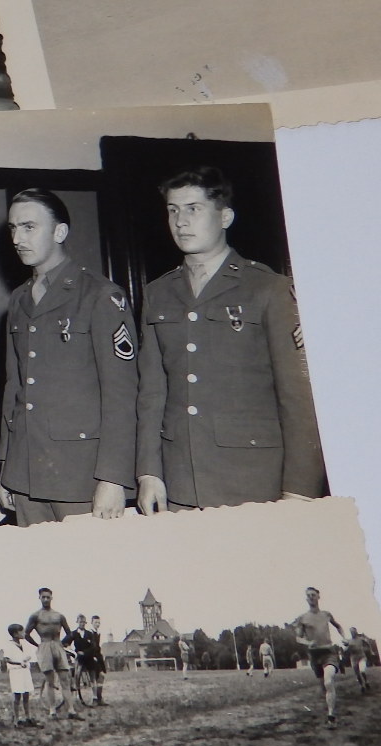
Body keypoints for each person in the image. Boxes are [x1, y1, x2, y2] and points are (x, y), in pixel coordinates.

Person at [135, 167, 325, 513]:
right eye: (173, 210)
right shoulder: (158, 293)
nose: (180, 221)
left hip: (252, 484)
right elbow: (152, 392)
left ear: (225, 217)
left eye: (194, 209)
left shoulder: (268, 288)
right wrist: (149, 472)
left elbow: (298, 400)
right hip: (180, 483)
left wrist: (299, 491)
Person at [0, 188, 137, 526]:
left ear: (60, 232)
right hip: (27, 473)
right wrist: (7, 467)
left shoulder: (101, 296)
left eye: (29, 227)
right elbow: (14, 390)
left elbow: (122, 396)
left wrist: (114, 478)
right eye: (13, 228)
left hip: (82, 477)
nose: (18, 238)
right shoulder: (18, 300)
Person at [24, 587, 82, 721]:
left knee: (65, 680)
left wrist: (64, 644)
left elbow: (69, 633)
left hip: (58, 645)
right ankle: (52, 711)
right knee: (50, 682)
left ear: (51, 598)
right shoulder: (35, 616)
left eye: (48, 597)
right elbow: (26, 634)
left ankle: (71, 710)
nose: (45, 599)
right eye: (43, 597)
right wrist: (38, 645)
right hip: (44, 645)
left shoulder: (59, 615)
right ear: (39, 598)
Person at [293, 587, 346, 726]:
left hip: (329, 653)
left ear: (318, 597)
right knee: (324, 686)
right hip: (314, 656)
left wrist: (344, 637)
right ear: (306, 599)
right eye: (308, 595)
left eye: (313, 595)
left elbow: (338, 626)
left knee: (328, 681)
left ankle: (331, 716)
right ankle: (330, 705)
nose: (311, 597)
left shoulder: (326, 614)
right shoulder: (302, 618)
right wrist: (307, 642)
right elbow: (298, 638)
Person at [2, 623, 38, 727]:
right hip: (16, 672)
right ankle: (16, 719)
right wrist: (19, 663)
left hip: (25, 671)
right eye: (21, 631)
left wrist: (27, 658)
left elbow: (30, 654)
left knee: (26, 694)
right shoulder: (9, 645)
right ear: (15, 634)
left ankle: (27, 717)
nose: (24, 633)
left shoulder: (24, 643)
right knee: (17, 696)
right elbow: (7, 660)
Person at [347, 627, 372, 692]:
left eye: (353, 631)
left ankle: (366, 682)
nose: (352, 633)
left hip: (362, 657)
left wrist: (370, 650)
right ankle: (362, 686)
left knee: (362, 670)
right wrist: (348, 647)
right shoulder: (349, 641)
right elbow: (347, 650)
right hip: (354, 659)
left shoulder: (361, 639)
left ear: (356, 631)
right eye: (351, 632)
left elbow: (368, 644)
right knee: (357, 674)